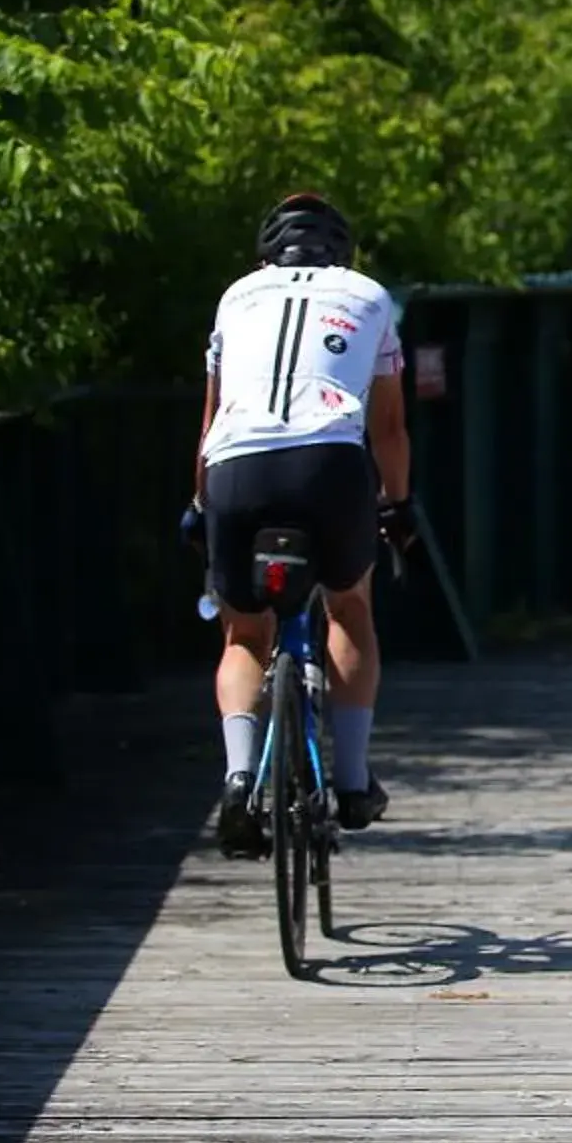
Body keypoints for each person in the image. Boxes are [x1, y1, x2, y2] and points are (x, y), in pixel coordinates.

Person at [188, 194, 414, 857]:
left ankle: (236, 778)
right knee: (349, 608)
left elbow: (210, 422)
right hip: (330, 466)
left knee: (243, 633)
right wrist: (397, 507)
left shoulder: (237, 297)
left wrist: (200, 506)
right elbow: (391, 427)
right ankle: (350, 783)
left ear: (266, 255)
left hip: (237, 468)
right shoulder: (370, 296)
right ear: (343, 253)